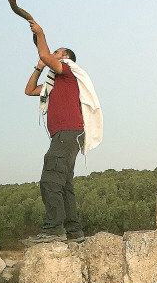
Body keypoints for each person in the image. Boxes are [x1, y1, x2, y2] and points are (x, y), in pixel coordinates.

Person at [24, 19, 102, 244]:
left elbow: (46, 54)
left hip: (67, 133)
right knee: (65, 184)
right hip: (67, 135)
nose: (53, 54)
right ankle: (74, 232)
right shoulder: (53, 84)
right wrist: (39, 66)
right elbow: (29, 90)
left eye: (57, 52)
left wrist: (40, 33)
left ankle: (53, 229)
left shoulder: (67, 72)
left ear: (65, 57)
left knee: (50, 180)